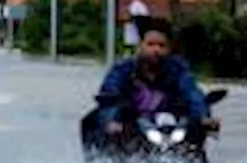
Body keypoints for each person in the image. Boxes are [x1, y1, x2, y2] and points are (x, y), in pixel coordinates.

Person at [93, 16, 220, 144]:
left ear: (169, 48)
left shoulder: (178, 69)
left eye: (161, 45)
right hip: (131, 125)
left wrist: (203, 117)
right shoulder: (122, 69)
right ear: (140, 46)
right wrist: (112, 120)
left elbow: (192, 93)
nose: (156, 50)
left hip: (170, 126)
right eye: (150, 44)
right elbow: (109, 96)